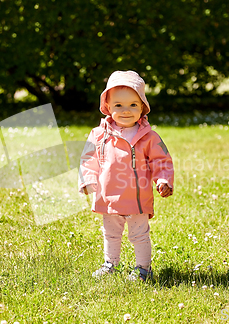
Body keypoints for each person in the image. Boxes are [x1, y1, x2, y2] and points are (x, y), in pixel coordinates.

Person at [78, 70, 174, 281]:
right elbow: (89, 158)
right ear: (108, 107)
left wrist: (163, 179)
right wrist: (87, 180)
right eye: (118, 105)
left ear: (142, 107)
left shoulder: (149, 137)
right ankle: (110, 264)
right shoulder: (99, 135)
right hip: (108, 196)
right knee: (111, 233)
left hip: (136, 199)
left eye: (133, 105)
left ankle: (143, 269)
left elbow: (161, 160)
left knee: (139, 235)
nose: (126, 111)